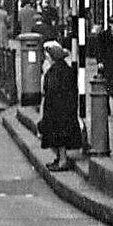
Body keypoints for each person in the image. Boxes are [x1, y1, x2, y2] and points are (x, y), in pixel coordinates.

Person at [38, 40, 81, 171]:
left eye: (47, 57)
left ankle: (62, 161)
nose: (46, 59)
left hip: (59, 110)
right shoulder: (62, 69)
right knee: (54, 133)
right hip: (62, 109)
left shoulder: (56, 72)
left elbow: (51, 91)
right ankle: (59, 158)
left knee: (58, 134)